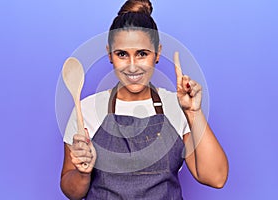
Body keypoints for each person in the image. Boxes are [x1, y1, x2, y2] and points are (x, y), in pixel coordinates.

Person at [60, 0, 228, 199]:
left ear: (157, 53)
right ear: (109, 55)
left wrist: (193, 112)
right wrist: (82, 173)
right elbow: (72, 192)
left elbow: (215, 178)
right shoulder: (86, 109)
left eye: (142, 54)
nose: (132, 67)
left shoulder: (176, 106)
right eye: (122, 54)